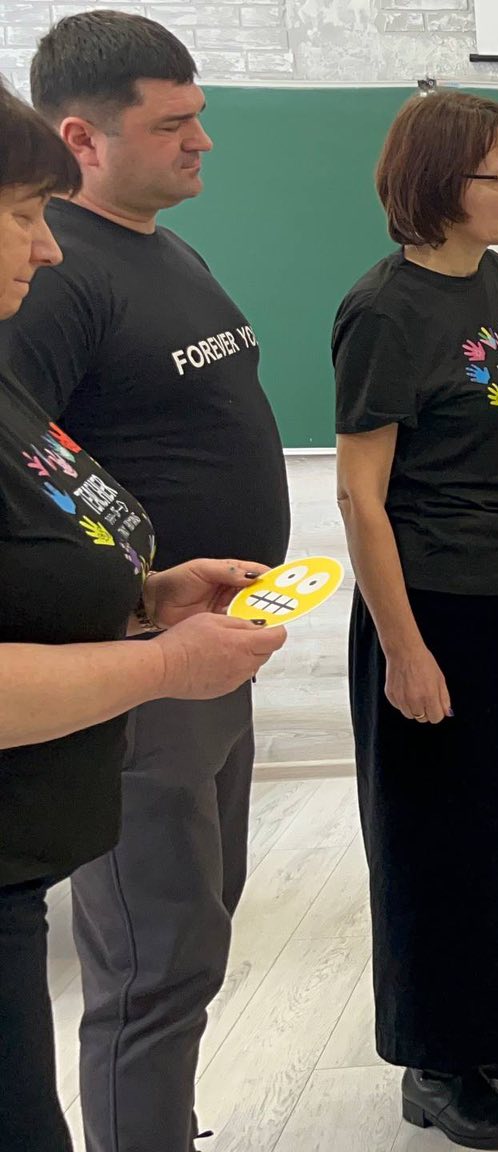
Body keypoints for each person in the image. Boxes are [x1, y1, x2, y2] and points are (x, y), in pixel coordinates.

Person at [0, 15, 293, 1149]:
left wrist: (154, 591)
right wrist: (139, 641)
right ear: (82, 137)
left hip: (193, 647)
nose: (202, 141)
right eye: (173, 124)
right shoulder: (53, 287)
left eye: (200, 116)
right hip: (129, 686)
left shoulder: (167, 252)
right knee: (152, 963)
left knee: (195, 937)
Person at [334, 91, 498, 1149]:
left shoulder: (491, 279)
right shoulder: (384, 311)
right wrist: (404, 649)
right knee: (438, 845)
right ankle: (439, 1063)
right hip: (435, 608)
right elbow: (360, 496)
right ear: (443, 183)